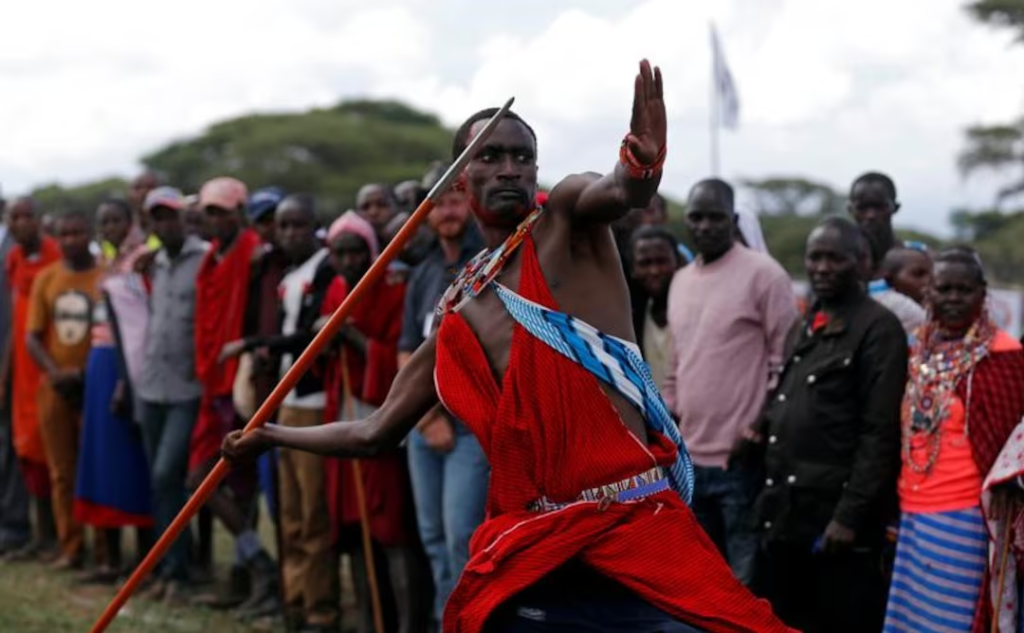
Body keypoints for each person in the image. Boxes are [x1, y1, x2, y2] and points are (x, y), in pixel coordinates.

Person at [224, 60, 789, 633]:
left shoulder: (566, 222)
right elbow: (377, 431)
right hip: (538, 544)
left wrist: (641, 162)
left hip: (633, 529)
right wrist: (270, 435)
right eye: (489, 157)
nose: (509, 168)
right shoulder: (457, 309)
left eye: (522, 156)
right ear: (458, 179)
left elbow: (622, 189)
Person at [741, 216, 908, 633]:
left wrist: (849, 517)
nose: (822, 267)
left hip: (835, 521)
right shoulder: (808, 321)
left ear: (863, 264)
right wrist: (762, 425)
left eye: (836, 258)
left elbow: (879, 432)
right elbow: (791, 392)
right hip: (785, 511)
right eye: (815, 257)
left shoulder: (879, 328)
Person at [882, 249, 1024, 632]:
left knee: (953, 620)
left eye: (965, 289)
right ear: (928, 292)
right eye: (944, 288)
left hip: (966, 515)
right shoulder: (916, 349)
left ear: (983, 294)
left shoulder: (1005, 356)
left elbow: (1007, 450)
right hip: (911, 506)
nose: (954, 298)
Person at [664, 179, 798, 585]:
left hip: (739, 460)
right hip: (689, 458)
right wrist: (671, 420)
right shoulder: (680, 279)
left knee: (743, 582)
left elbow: (787, 361)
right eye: (696, 217)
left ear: (734, 220)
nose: (705, 226)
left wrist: (756, 427)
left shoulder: (765, 275)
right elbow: (676, 362)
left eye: (715, 217)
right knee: (698, 579)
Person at [220, 194, 340, 632]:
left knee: (312, 516)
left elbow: (312, 339)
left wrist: (254, 346)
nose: (289, 234)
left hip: (312, 406)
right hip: (284, 403)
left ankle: (320, 611)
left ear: (315, 225)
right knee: (287, 514)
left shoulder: (328, 270)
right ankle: (293, 603)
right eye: (283, 226)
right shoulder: (286, 273)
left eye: (298, 225)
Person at [322, 211, 429, 633]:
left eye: (356, 252)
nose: (348, 261)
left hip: (385, 421)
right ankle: (370, 622)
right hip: (342, 416)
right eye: (340, 253)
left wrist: (356, 339)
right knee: (355, 529)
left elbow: (400, 360)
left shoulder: (393, 290)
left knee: (392, 530)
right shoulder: (333, 290)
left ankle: (408, 624)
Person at [399, 165, 489, 628]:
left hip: (468, 426)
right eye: (439, 203)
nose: (448, 211)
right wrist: (421, 417)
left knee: (461, 540)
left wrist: (438, 413)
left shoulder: (489, 261)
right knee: (432, 538)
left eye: (457, 200)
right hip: (423, 425)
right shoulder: (424, 270)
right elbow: (405, 351)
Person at [190, 177, 280, 618]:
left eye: (221, 212)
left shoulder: (251, 250)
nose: (213, 220)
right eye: (208, 212)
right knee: (230, 488)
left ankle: (261, 573)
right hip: (214, 383)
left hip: (240, 385)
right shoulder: (211, 257)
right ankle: (250, 576)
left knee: (202, 481)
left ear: (239, 213)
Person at [132, 187, 209, 601]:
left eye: (170, 217)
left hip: (187, 388)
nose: (165, 224)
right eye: (156, 219)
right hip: (151, 385)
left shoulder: (205, 258)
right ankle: (170, 568)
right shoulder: (153, 263)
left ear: (183, 218)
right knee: (160, 483)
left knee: (169, 475)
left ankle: (179, 572)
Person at [73, 199, 154, 585]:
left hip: (129, 368)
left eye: (116, 221)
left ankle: (143, 558)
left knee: (130, 461)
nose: (110, 228)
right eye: (103, 222)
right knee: (101, 461)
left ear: (131, 222)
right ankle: (109, 557)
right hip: (100, 362)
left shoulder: (142, 259)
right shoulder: (105, 264)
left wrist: (126, 379)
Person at [26, 211, 106, 571]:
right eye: (65, 234)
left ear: (89, 232)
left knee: (98, 466)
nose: (71, 240)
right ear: (56, 238)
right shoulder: (46, 278)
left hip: (96, 386)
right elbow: (32, 336)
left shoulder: (106, 274)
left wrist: (87, 373)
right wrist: (58, 373)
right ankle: (71, 546)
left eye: (77, 232)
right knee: (61, 471)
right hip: (55, 387)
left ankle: (106, 549)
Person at [2, 197, 60, 562]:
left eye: (28, 216)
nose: (22, 223)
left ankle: (60, 537)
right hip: (19, 369)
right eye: (16, 218)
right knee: (23, 450)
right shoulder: (13, 261)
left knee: (53, 452)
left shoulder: (57, 259)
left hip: (51, 367)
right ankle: (37, 535)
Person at [0, 199, 31, 556]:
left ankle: (14, 525)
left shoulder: (13, 250)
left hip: (11, 365)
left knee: (11, 446)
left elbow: (11, 319)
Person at [629, 225, 683, 392]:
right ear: (633, 269)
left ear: (678, 263)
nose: (654, 270)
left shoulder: (696, 310)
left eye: (661, 261)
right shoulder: (631, 317)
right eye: (645, 263)